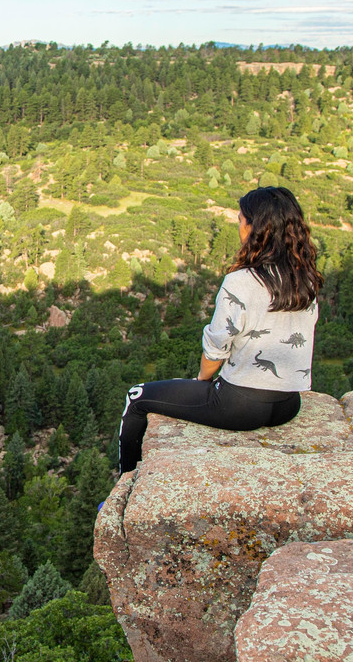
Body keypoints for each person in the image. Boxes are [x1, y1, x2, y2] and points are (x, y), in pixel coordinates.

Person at [118, 186, 322, 473]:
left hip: (241, 406)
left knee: (136, 397)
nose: (238, 226)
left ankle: (126, 483)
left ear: (255, 228)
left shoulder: (242, 281)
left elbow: (217, 346)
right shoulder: (306, 277)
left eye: (241, 220)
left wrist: (202, 380)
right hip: (288, 404)